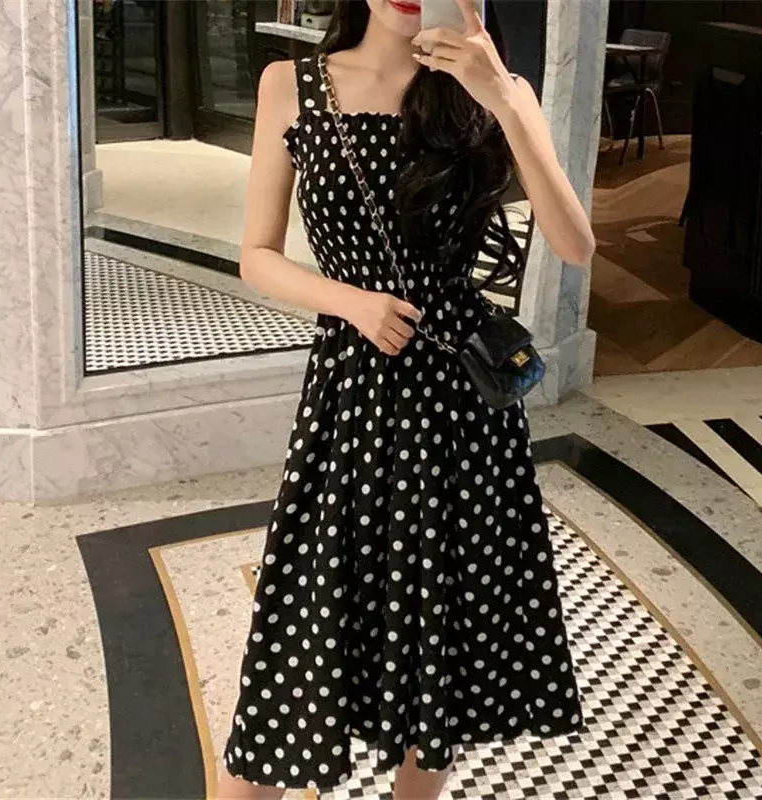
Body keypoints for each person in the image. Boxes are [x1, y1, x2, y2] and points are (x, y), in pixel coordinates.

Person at [218, 0, 595, 798]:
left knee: (444, 645)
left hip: (463, 411)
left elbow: (574, 244)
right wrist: (351, 302)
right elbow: (255, 255)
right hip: (351, 400)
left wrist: (502, 100)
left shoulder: (498, 92)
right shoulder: (292, 85)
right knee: (302, 636)